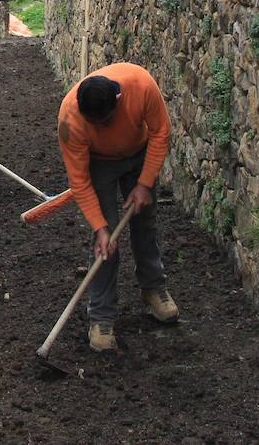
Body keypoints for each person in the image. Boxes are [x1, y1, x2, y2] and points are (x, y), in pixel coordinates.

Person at [57, 62, 178, 353]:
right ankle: (101, 317)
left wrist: (145, 183)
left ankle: (154, 289)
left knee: (145, 225)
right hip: (100, 164)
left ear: (119, 101)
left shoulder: (141, 85)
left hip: (139, 153)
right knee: (106, 242)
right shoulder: (70, 120)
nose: (99, 127)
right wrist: (99, 228)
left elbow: (161, 132)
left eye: (105, 121)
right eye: (94, 124)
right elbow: (80, 182)